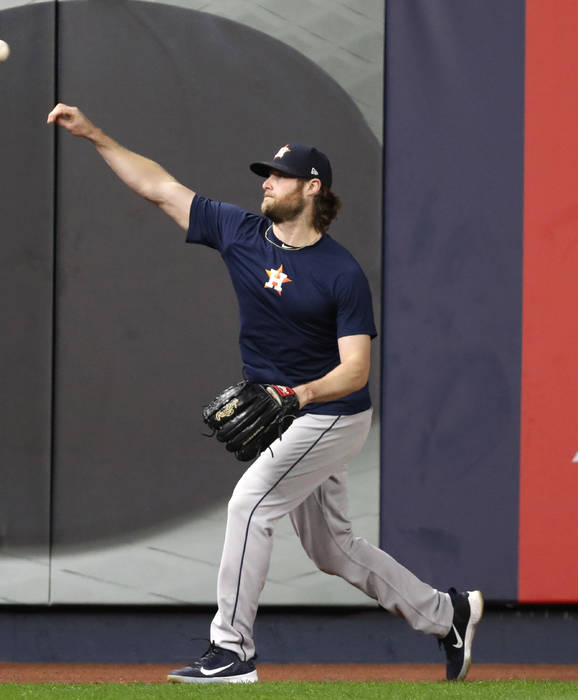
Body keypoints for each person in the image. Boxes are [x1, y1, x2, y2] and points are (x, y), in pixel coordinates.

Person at [46, 103, 483, 684]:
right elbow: (158, 187)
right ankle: (445, 613)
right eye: (265, 176)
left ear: (312, 187)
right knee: (333, 550)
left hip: (329, 413)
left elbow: (355, 370)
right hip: (287, 415)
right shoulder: (241, 232)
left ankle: (232, 651)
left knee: (250, 504)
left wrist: (295, 396)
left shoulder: (340, 272)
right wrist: (94, 135)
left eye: (277, 176)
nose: (266, 184)